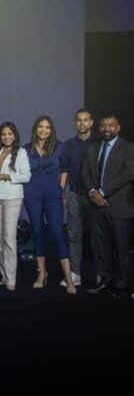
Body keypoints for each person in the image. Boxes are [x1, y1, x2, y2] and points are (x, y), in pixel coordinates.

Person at [23, 115, 76, 294]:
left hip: (53, 193)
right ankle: (41, 273)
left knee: (57, 232)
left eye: (47, 127)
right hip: (32, 193)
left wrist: (60, 188)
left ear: (51, 130)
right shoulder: (26, 149)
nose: (43, 130)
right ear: (35, 129)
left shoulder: (60, 147)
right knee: (38, 232)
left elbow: (65, 169)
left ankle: (68, 277)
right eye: (40, 126)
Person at [82, 114, 134, 298]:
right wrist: (92, 192)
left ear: (118, 128)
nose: (106, 128)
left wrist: (102, 192)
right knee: (101, 248)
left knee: (120, 249)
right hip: (96, 206)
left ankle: (121, 285)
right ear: (98, 128)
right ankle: (104, 281)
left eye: (111, 125)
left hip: (119, 206)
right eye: (103, 125)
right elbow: (85, 173)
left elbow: (128, 174)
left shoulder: (128, 148)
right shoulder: (92, 148)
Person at [0, 121, 31, 291]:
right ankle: (4, 276)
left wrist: (5, 175)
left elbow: (26, 176)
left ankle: (11, 279)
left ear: (14, 135)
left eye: (10, 134)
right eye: (3, 134)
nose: (6, 137)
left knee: (9, 238)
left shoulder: (21, 152)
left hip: (12, 198)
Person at [63, 109, 97, 288]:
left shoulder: (98, 144)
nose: (82, 123)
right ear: (75, 123)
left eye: (85, 120)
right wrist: (64, 194)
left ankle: (101, 275)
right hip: (74, 194)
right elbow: (65, 171)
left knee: (98, 237)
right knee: (74, 235)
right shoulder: (68, 145)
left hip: (95, 197)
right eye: (79, 120)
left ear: (91, 123)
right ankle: (75, 274)